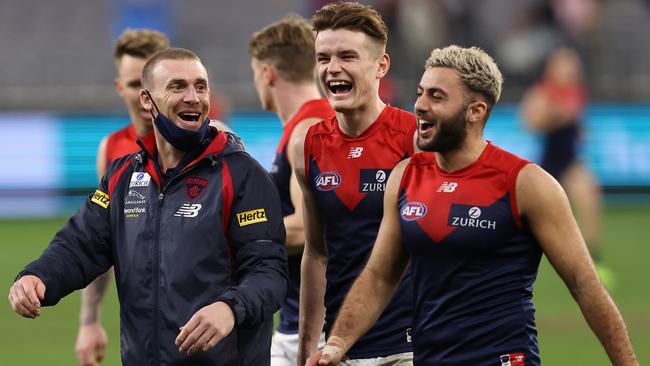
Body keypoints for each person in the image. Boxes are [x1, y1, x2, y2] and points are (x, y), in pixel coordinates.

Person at [308, 45, 638, 366]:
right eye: (421, 92)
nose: (420, 105)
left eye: (436, 96)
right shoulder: (405, 177)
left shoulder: (525, 183)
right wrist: (337, 344)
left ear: (475, 111)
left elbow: (585, 286)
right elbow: (379, 277)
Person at [8, 48, 288, 365]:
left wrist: (229, 308)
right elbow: (80, 244)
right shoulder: (123, 177)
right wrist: (38, 276)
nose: (193, 97)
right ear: (147, 100)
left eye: (200, 86)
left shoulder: (243, 176)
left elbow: (270, 274)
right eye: (177, 86)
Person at [291, 2, 417, 365]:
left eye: (347, 56)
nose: (332, 69)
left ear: (381, 65)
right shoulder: (308, 144)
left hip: (412, 345)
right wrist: (306, 351)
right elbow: (316, 254)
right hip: (342, 349)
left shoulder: (415, 138)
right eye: (323, 57)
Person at [75, 28, 170, 366]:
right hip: (141, 329)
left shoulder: (213, 141)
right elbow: (104, 240)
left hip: (206, 319)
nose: (145, 96)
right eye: (134, 85)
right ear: (119, 88)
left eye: (152, 85)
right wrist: (89, 321)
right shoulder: (112, 151)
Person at [248, 14, 335, 366]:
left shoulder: (311, 128)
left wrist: (237, 234)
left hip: (315, 328)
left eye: (255, 72)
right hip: (296, 319)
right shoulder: (305, 125)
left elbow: (308, 227)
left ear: (267, 73)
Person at [520, 46, 613, 287]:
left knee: (590, 199)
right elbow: (530, 122)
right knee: (537, 216)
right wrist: (557, 115)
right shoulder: (542, 92)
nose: (571, 70)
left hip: (571, 161)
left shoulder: (577, 92)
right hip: (549, 164)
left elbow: (578, 123)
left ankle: (593, 261)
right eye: (566, 65)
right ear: (553, 69)